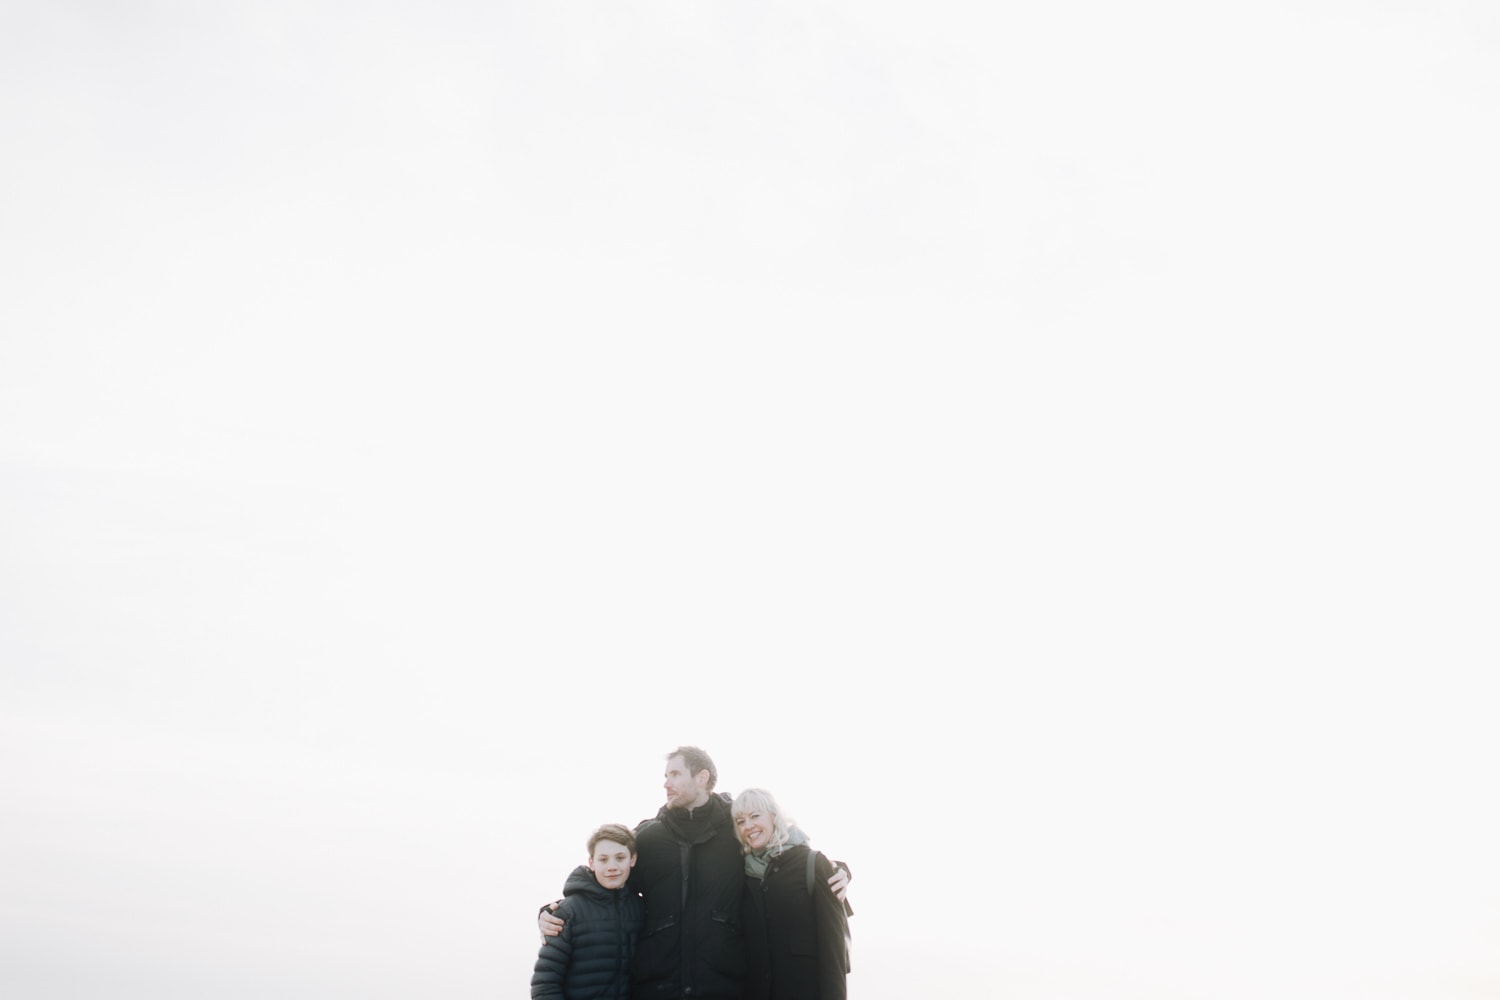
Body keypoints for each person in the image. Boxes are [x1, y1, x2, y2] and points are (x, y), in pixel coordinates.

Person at [539, 747, 851, 1000]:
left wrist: (836, 869)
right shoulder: (648, 838)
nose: (665, 783)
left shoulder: (735, 830)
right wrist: (557, 909)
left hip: (726, 988)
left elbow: (782, 848)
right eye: (665, 775)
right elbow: (608, 873)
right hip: (658, 989)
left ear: (702, 777)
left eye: (674, 774)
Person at [732, 788, 850, 1000]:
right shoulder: (744, 875)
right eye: (740, 821)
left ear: (774, 818)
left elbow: (834, 952)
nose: (748, 826)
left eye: (755, 816)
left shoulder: (812, 864)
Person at [531, 823, 645, 1000]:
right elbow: (545, 984)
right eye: (603, 859)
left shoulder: (640, 908)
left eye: (620, 857)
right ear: (591, 863)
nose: (612, 866)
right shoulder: (568, 912)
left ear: (633, 859)